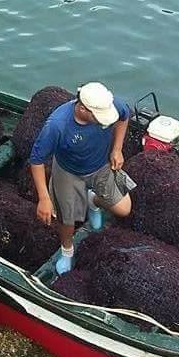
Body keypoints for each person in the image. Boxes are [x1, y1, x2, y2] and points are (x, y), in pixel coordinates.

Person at [29, 82, 132, 275]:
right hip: (68, 171)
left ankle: (93, 201)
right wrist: (44, 198)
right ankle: (66, 251)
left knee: (124, 208)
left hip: (102, 165)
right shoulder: (56, 125)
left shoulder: (110, 105)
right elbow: (36, 160)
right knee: (67, 218)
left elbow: (124, 116)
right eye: (100, 118)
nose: (104, 121)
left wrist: (117, 148)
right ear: (83, 108)